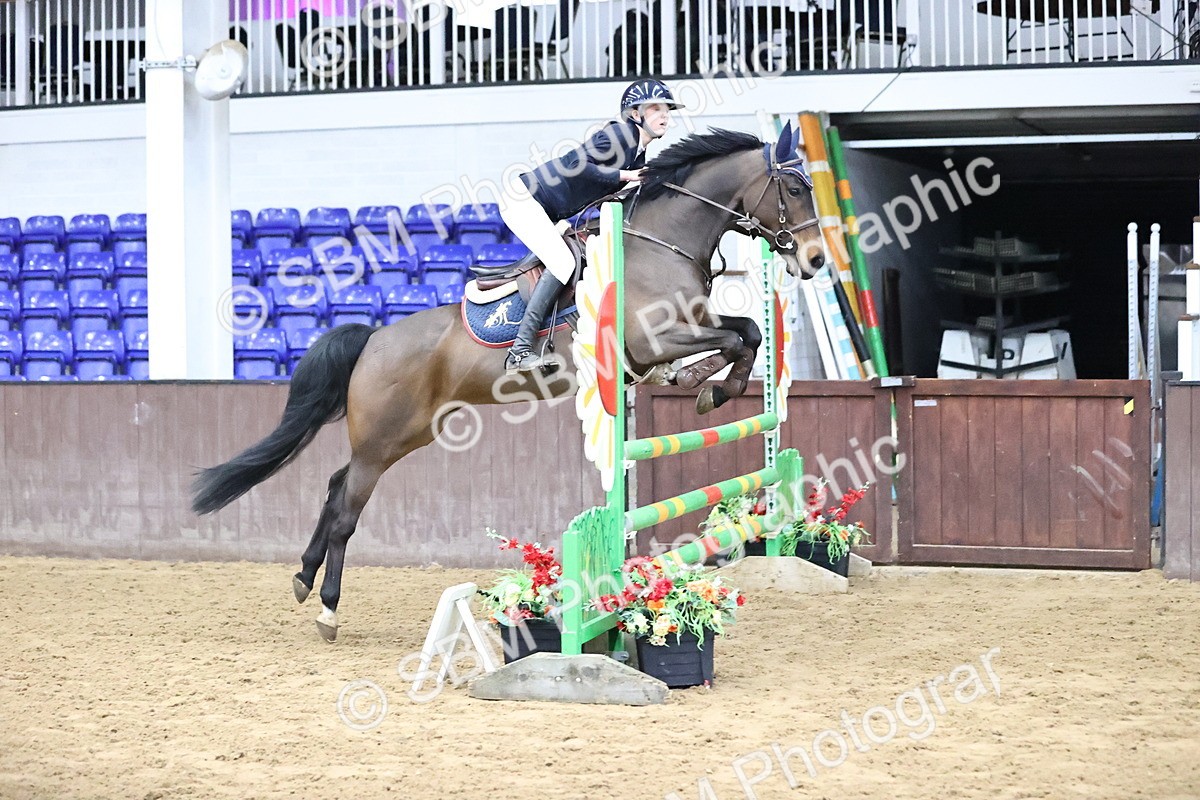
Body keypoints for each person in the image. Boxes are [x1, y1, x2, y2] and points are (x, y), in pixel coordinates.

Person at [499, 78, 684, 374]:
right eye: (656, 109)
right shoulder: (621, 134)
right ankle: (519, 351)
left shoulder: (638, 152)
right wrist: (627, 176)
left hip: (548, 210)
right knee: (561, 263)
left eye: (667, 110)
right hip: (524, 200)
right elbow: (577, 165)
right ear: (635, 114)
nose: (665, 116)